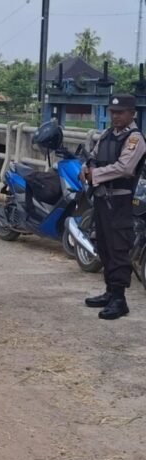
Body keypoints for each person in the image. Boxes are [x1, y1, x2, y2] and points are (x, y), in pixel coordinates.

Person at [80, 94, 146, 320]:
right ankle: (109, 291)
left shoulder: (134, 139)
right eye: (113, 112)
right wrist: (86, 170)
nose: (116, 116)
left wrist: (94, 175)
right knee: (105, 246)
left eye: (120, 112)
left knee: (118, 248)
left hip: (119, 201)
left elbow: (125, 168)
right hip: (101, 199)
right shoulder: (108, 134)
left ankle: (119, 299)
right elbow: (93, 157)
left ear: (132, 113)